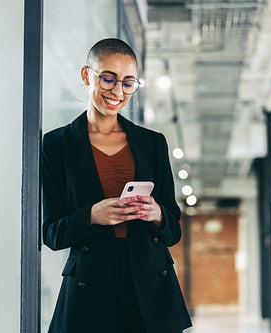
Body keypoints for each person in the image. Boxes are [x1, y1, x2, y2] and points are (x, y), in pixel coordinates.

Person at [42, 38, 192, 333]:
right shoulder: (57, 145)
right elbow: (51, 233)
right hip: (90, 287)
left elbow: (173, 231)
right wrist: (92, 216)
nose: (117, 91)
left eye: (128, 82)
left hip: (150, 289)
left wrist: (157, 214)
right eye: (108, 79)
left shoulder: (152, 143)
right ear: (87, 76)